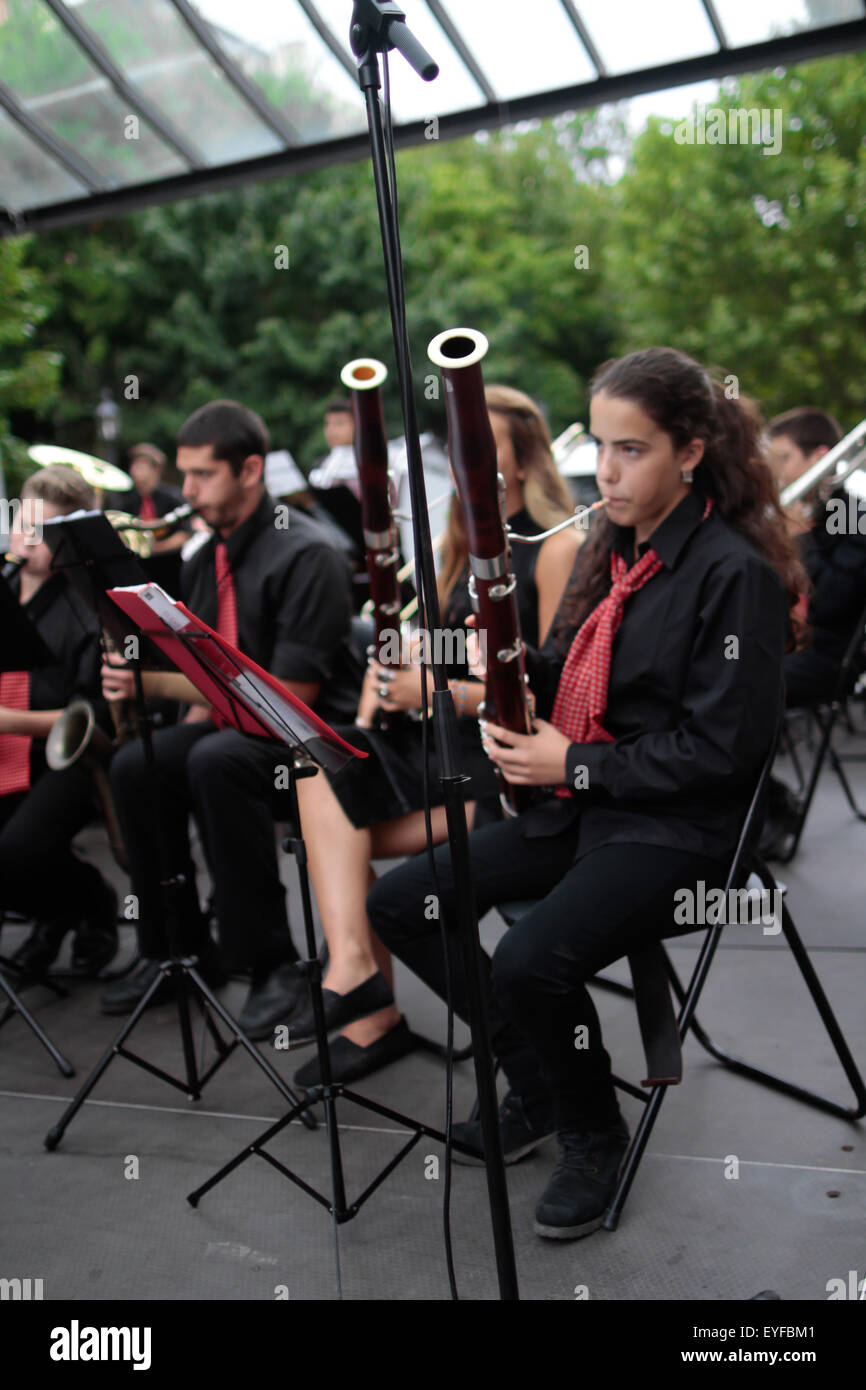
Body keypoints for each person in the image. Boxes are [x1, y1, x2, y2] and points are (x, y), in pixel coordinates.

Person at [365, 347, 803, 1241]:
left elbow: (723, 752)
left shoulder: (734, 575)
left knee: (531, 958)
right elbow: (563, 666)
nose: (605, 470)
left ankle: (592, 1132)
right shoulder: (619, 550)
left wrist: (572, 765)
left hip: (687, 836)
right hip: (594, 810)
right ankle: (539, 1083)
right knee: (403, 902)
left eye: (631, 449)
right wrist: (465, 661)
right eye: (600, 446)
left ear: (689, 450)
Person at [285, 386, 581, 1088]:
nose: (466, 465)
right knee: (316, 772)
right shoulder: (455, 543)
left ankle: (363, 1004)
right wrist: (393, 682)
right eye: (460, 451)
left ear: (527, 460)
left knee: (334, 829)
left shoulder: (558, 546)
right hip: (442, 748)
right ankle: (359, 980)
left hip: (507, 768)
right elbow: (447, 657)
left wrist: (437, 689)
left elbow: (550, 695)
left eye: (483, 451)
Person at [98, 400, 362, 1028]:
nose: (184, 491)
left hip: (315, 739)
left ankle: (272, 961)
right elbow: (204, 667)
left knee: (218, 762)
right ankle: (174, 947)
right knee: (140, 765)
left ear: (249, 470)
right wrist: (169, 735)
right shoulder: (200, 558)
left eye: (201, 475)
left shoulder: (308, 553)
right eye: (183, 474)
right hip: (235, 731)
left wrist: (152, 684)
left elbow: (289, 698)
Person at [0, 466, 118, 977]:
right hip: (9, 752)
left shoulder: (87, 609)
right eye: (22, 524)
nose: (26, 540)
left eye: (43, 532)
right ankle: (55, 914)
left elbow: (90, 720)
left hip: (68, 760)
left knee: (18, 851)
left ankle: (91, 901)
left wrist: (9, 720)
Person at [761, 408, 866, 854]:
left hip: (828, 657)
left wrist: (795, 541)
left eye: (784, 458)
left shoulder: (853, 515)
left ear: (820, 457)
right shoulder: (798, 513)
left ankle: (770, 806)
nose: (775, 470)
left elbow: (833, 601)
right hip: (785, 646)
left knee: (743, 692)